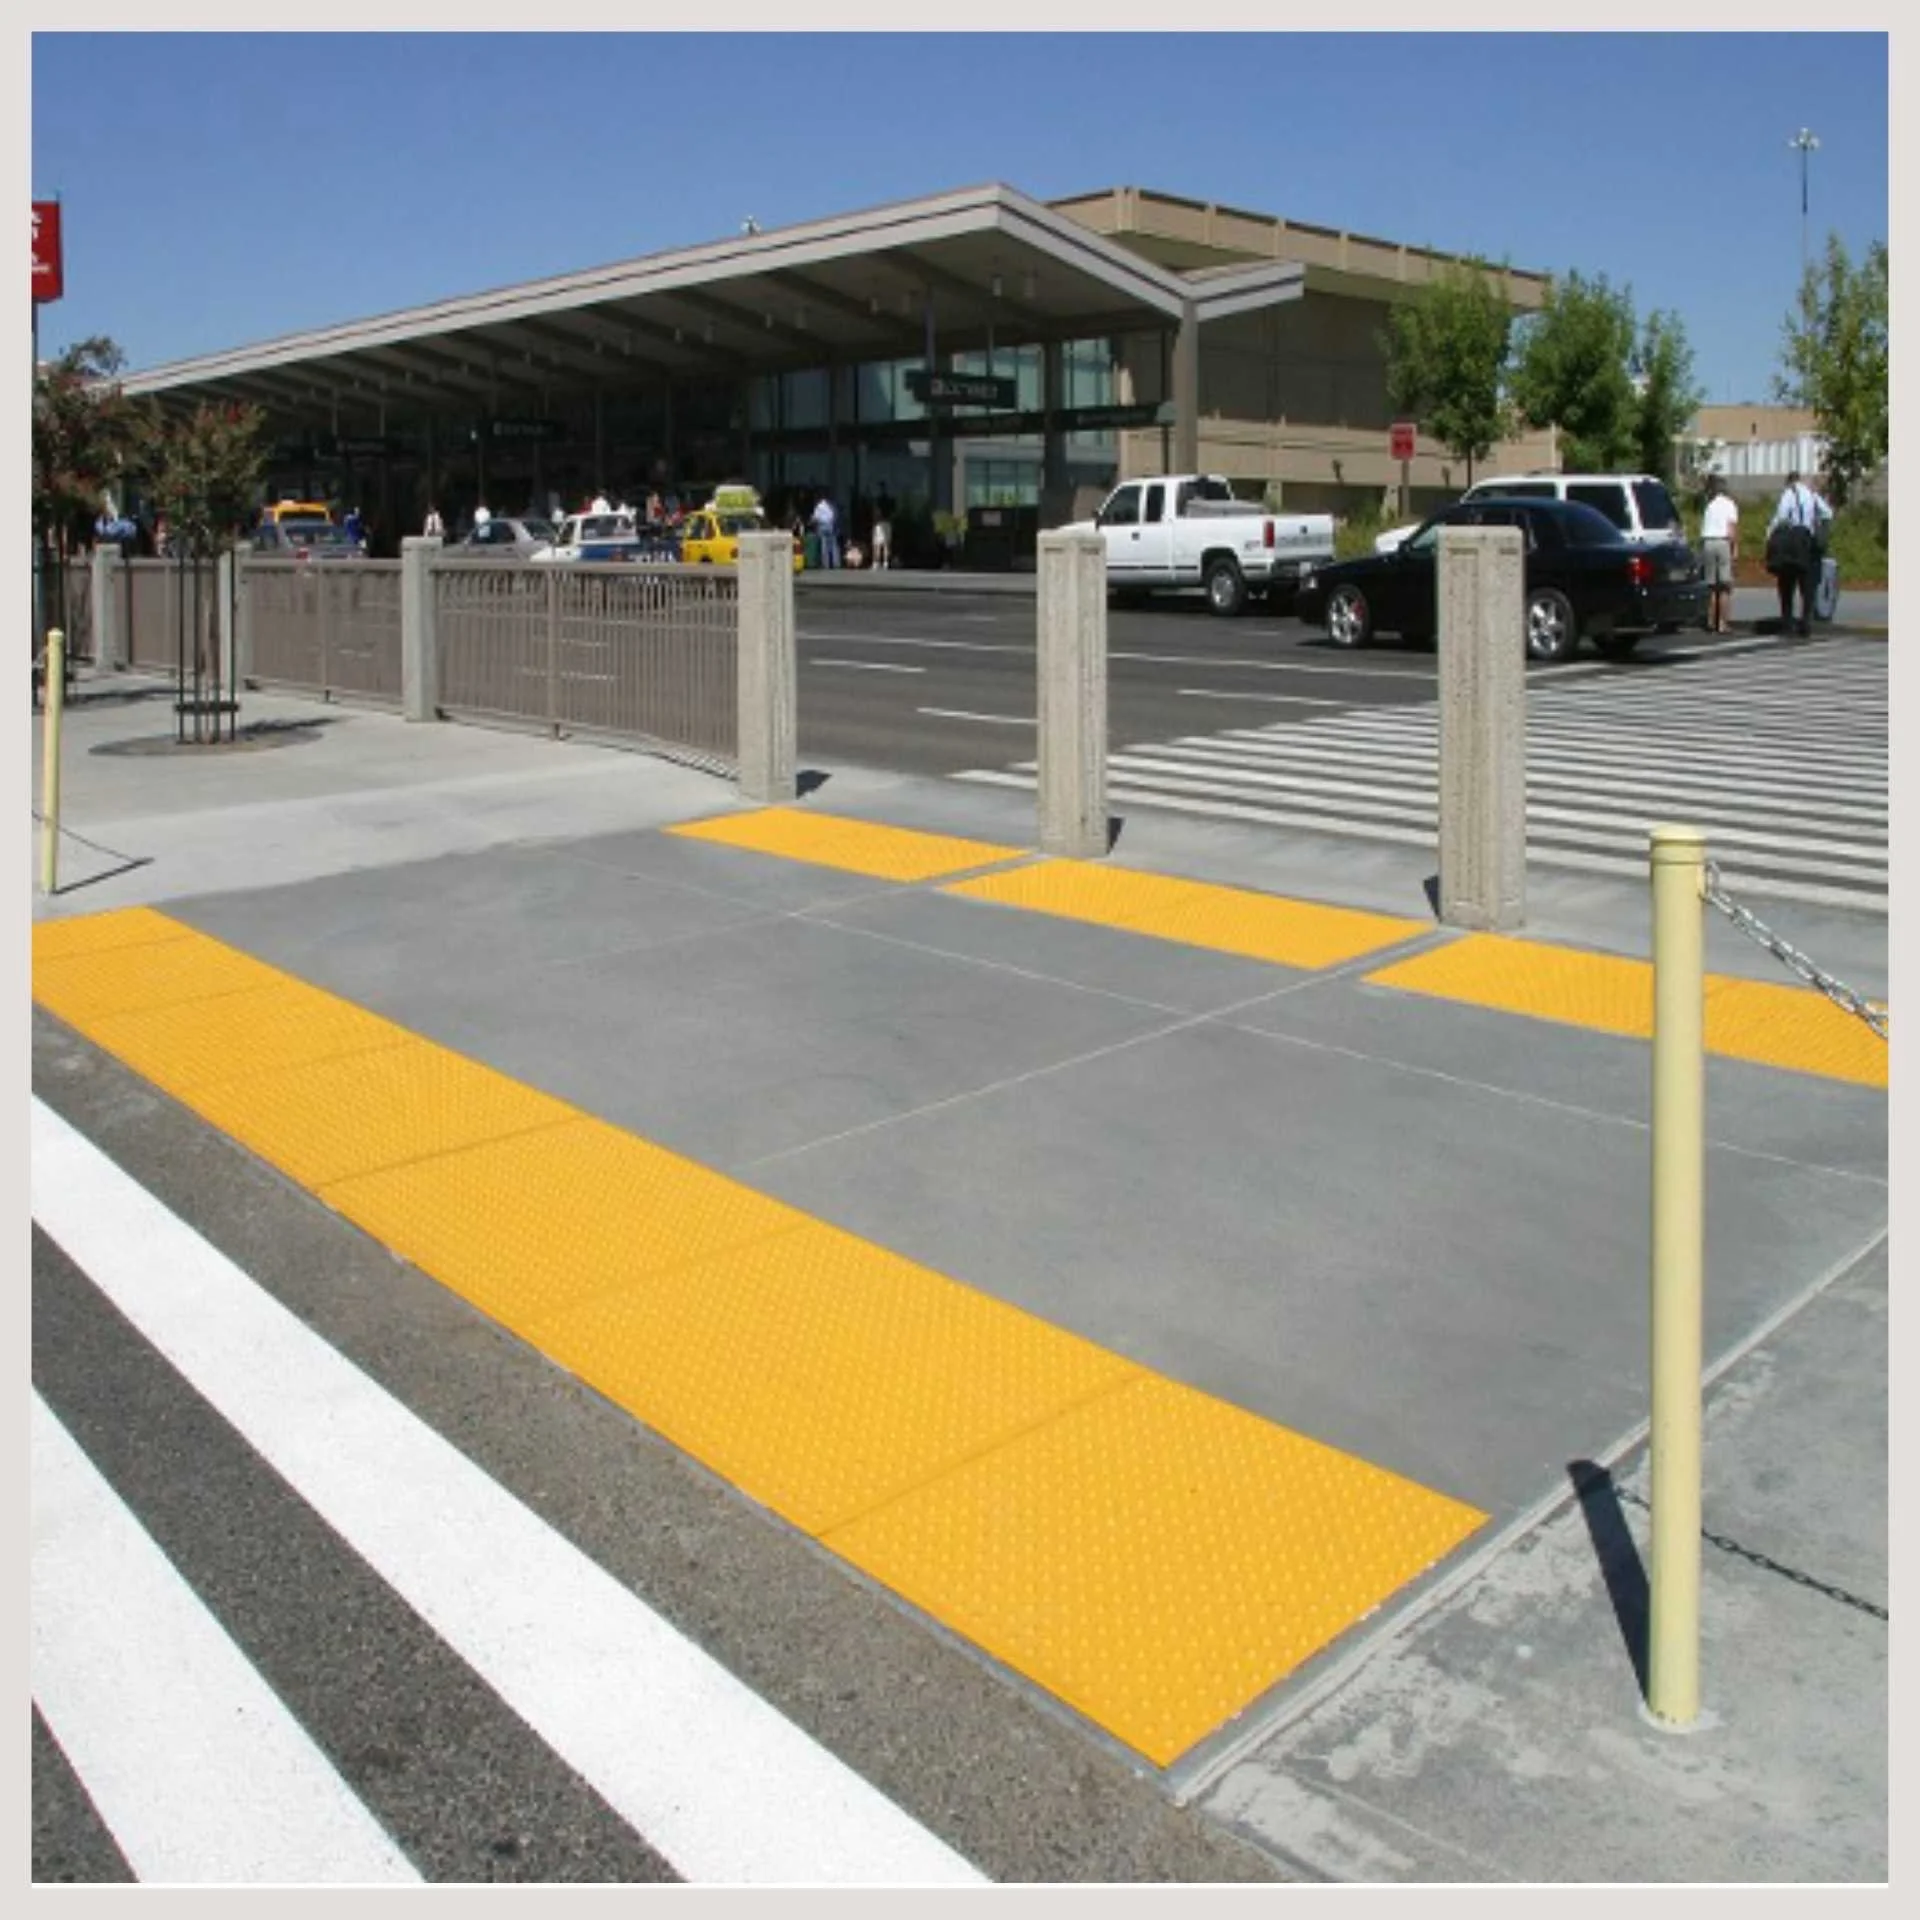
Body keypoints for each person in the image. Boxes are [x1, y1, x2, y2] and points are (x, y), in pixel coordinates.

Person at [1765, 469, 1832, 638]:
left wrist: (1769, 535)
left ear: (1789, 482)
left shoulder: (1789, 493)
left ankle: (1787, 622)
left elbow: (1781, 517)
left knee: (1786, 584)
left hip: (1791, 541)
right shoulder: (1811, 493)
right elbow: (1827, 513)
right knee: (1807, 585)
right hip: (1807, 541)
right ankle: (1805, 623)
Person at [1698, 474, 1738, 635]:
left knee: (1712, 586)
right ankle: (1722, 623)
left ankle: (1710, 621)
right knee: (1725, 586)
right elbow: (1731, 529)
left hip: (1708, 542)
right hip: (1722, 542)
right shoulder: (1730, 505)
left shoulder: (1710, 506)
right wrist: (1735, 548)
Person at [811, 492, 840, 570]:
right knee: (832, 545)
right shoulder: (831, 506)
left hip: (822, 526)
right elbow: (834, 516)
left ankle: (825, 564)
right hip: (830, 526)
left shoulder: (819, 506)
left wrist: (812, 521)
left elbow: (815, 517)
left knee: (823, 545)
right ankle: (834, 563)